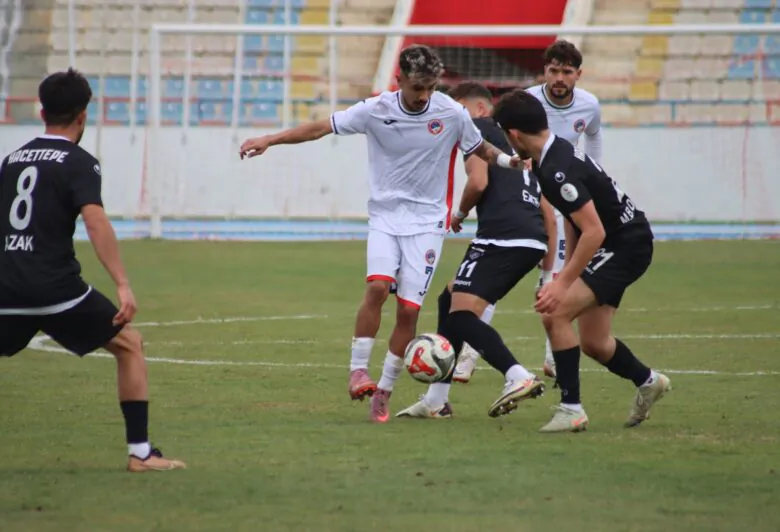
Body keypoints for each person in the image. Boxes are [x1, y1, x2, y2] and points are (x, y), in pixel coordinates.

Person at [239, 45, 521, 423]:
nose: (423, 95)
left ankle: (384, 392)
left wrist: (508, 160)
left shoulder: (450, 112)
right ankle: (358, 370)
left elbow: (479, 147)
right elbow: (321, 127)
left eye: (430, 87)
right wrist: (269, 140)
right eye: (417, 87)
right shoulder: (377, 109)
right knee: (376, 287)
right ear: (399, 79)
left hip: (426, 223)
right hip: (386, 218)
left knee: (408, 310)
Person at [0, 69, 185, 471]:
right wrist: (122, 284)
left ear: (41, 110)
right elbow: (96, 221)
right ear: (82, 116)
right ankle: (140, 455)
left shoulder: (11, 161)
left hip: (6, 288)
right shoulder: (79, 161)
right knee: (129, 345)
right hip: (54, 289)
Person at [492, 89, 671, 433]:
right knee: (594, 343)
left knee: (555, 312)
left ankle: (571, 409)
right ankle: (648, 381)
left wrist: (561, 283)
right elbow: (576, 220)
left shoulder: (555, 169)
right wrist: (567, 274)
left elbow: (594, 231)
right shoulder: (553, 154)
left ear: (513, 134)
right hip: (622, 240)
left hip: (624, 244)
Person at [396, 81, 556, 419]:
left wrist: (459, 213)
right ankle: (436, 400)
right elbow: (546, 207)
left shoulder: (478, 131)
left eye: (459, 109)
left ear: (480, 110)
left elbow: (479, 181)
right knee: (449, 300)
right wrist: (547, 268)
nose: (454, 118)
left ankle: (517, 376)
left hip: (502, 237)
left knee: (461, 315)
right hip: (530, 237)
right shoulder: (516, 145)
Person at [453, 39, 603, 382]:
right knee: (494, 279)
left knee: (558, 276)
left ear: (578, 74)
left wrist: (593, 176)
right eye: (554, 70)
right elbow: (500, 141)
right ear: (544, 71)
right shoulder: (527, 101)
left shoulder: (589, 105)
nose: (560, 78)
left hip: (566, 191)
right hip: (532, 190)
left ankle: (552, 356)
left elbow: (594, 138)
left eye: (567, 72)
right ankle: (469, 356)